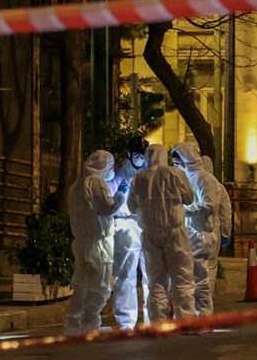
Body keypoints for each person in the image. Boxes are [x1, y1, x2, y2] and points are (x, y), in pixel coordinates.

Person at [129, 144, 197, 321]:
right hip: (175, 232)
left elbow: (131, 206)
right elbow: (189, 199)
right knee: (182, 278)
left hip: (150, 233)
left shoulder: (139, 177)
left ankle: (158, 322)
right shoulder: (176, 174)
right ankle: (186, 321)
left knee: (156, 281)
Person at [65, 150, 127, 336]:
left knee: (81, 286)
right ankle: (90, 325)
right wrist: (121, 195)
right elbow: (107, 208)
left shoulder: (76, 186)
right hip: (98, 244)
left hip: (81, 243)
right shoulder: (97, 183)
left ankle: (73, 324)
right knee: (99, 287)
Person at [172, 143, 227, 316]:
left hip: (202, 234)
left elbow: (208, 206)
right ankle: (197, 315)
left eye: (177, 162)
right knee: (191, 278)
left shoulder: (204, 178)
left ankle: (204, 315)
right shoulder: (187, 177)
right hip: (191, 233)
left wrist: (183, 210)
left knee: (201, 279)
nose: (175, 166)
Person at [110, 138, 149, 330]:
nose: (141, 159)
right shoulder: (119, 176)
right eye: (137, 155)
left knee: (152, 274)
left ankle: (153, 318)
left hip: (146, 225)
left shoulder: (149, 173)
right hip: (126, 225)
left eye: (143, 155)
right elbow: (111, 202)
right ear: (129, 155)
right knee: (126, 274)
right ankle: (126, 322)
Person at [201, 156, 234, 256]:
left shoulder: (192, 183)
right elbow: (225, 211)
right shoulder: (218, 186)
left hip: (194, 231)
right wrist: (226, 232)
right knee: (211, 263)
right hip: (214, 229)